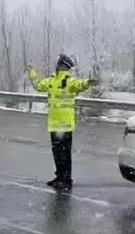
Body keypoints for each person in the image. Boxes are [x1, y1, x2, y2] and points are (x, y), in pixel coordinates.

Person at [27, 54, 95, 190]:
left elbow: (79, 85)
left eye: (60, 64)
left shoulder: (69, 80)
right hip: (54, 124)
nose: (58, 65)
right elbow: (39, 86)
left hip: (65, 125)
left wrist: (88, 82)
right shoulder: (51, 80)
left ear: (63, 66)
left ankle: (66, 180)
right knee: (58, 154)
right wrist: (32, 72)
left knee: (64, 154)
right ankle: (59, 177)